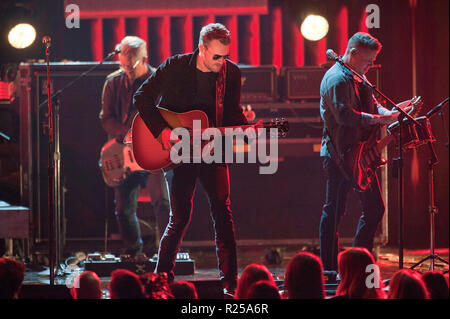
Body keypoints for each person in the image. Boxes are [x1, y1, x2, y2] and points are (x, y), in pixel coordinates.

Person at [134, 23, 248, 294]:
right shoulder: (175, 66)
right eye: (217, 57)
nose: (223, 62)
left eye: (226, 56)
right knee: (180, 217)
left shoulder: (231, 74)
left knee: (223, 213)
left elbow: (231, 113)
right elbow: (142, 98)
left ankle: (230, 283)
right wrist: (163, 132)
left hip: (213, 149)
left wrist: (246, 129)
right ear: (202, 49)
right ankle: (161, 280)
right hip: (178, 152)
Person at [319, 32, 407, 272]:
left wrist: (391, 112)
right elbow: (345, 115)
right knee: (334, 211)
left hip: (360, 155)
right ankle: (329, 270)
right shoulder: (337, 79)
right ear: (353, 53)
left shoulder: (360, 78)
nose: (370, 66)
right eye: (368, 61)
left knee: (374, 208)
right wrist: (381, 120)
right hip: (339, 155)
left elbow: (372, 105)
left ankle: (358, 265)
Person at [100, 36, 170, 257]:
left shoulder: (159, 82)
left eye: (132, 63)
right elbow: (106, 118)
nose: (127, 67)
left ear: (144, 58)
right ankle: (134, 251)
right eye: (123, 62)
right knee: (122, 209)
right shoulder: (113, 82)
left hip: (152, 154)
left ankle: (167, 251)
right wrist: (125, 134)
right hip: (124, 153)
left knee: (162, 203)